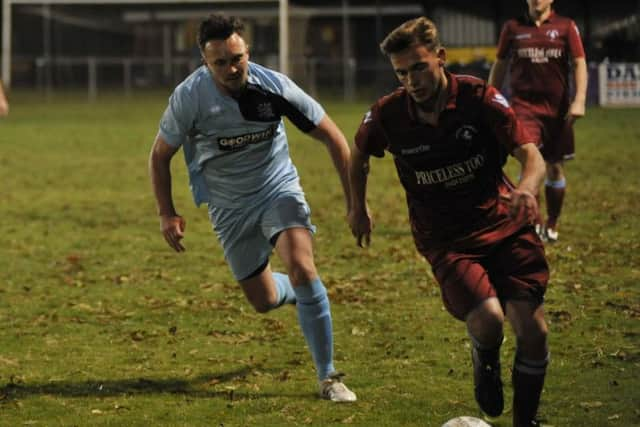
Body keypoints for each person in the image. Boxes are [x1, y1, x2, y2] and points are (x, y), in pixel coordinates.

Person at [348, 17, 550, 426]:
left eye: (419, 67)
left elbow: (531, 154)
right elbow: (359, 155)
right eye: (401, 72)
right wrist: (357, 207)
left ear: (440, 58)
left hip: (505, 224)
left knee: (534, 332)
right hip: (446, 240)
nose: (411, 80)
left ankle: (525, 422)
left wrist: (527, 189)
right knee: (490, 320)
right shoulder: (389, 115)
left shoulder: (478, 98)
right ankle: (485, 358)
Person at [149, 14, 356, 402]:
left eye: (237, 58)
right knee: (263, 301)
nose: (231, 69)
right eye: (220, 63)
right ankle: (295, 291)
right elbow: (159, 156)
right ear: (203, 61)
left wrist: (354, 204)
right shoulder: (190, 97)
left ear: (247, 51)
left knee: (302, 266)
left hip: (277, 188)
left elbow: (334, 138)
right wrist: (166, 212)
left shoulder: (274, 87)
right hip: (228, 206)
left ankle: (329, 377)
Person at [489, 0, 588, 242]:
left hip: (557, 112)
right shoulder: (512, 28)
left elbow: (579, 63)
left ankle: (552, 223)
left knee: (554, 167)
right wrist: (489, 98)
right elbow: (500, 64)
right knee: (531, 163)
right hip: (523, 109)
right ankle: (533, 221)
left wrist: (580, 100)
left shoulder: (566, 27)